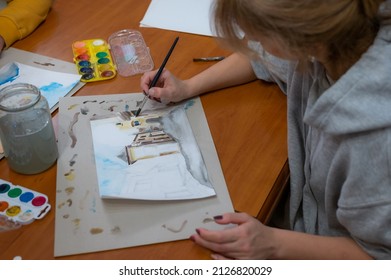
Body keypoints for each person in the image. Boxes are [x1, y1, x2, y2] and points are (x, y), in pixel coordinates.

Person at [141, 0, 391, 259]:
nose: (252, 40)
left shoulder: (376, 142)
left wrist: (274, 244)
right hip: (305, 216)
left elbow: (378, 258)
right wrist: (188, 87)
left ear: (299, 39)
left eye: (257, 32)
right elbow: (258, 58)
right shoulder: (338, 37)